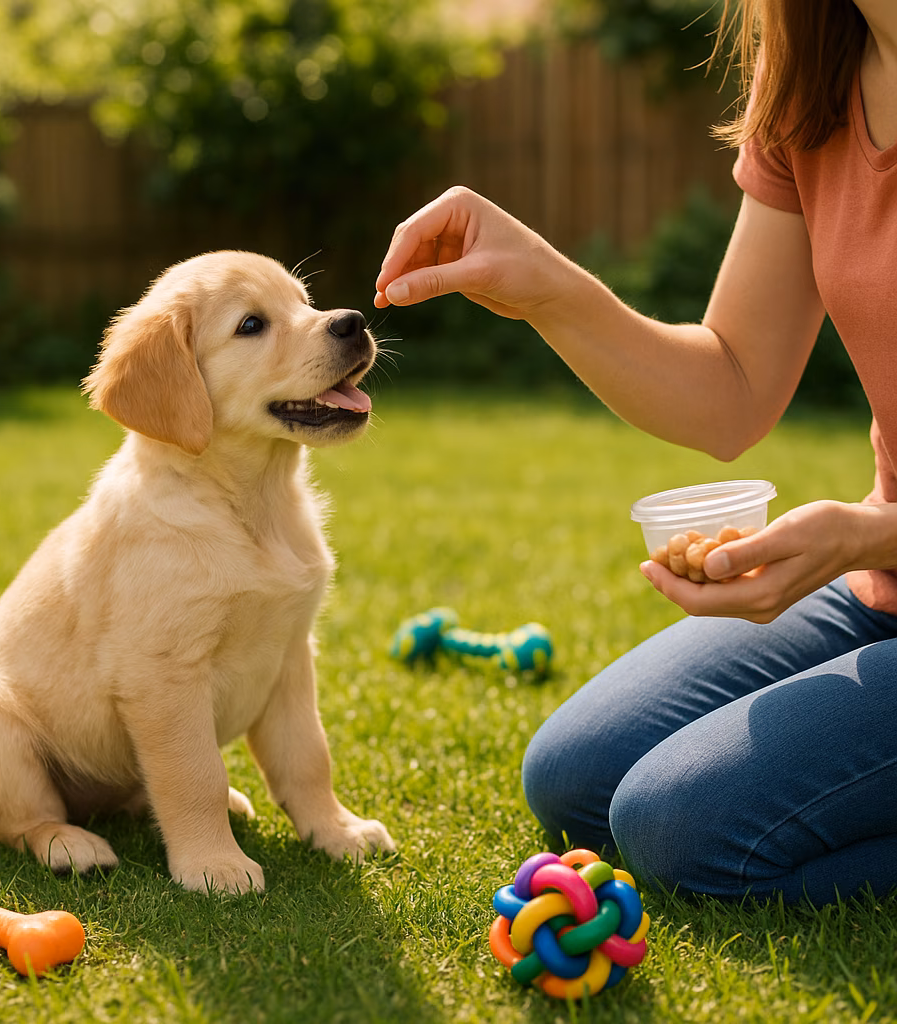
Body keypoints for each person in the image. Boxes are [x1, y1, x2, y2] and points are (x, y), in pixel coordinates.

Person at [373, 0, 897, 906]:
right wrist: (546, 286)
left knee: (677, 825)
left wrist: (865, 536)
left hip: (879, 553)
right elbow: (731, 386)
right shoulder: (820, 69)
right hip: (883, 586)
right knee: (575, 778)